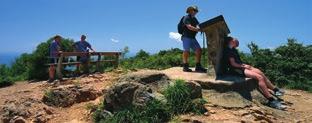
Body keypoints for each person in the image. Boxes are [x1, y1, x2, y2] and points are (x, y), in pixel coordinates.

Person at [223, 36, 286, 110]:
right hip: (235, 70)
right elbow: (233, 64)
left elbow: (237, 60)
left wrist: (245, 65)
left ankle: (275, 90)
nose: (237, 39)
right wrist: (244, 66)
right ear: (231, 41)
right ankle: (271, 100)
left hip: (240, 67)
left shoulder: (233, 49)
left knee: (260, 72)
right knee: (259, 77)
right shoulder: (228, 50)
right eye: (235, 39)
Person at [181, 5, 206, 72]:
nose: (196, 12)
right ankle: (185, 66)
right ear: (190, 11)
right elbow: (189, 27)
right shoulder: (186, 17)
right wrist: (199, 30)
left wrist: (202, 28)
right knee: (186, 51)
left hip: (192, 37)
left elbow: (198, 25)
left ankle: (198, 66)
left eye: (196, 11)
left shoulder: (194, 19)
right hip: (186, 37)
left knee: (199, 50)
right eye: (194, 10)